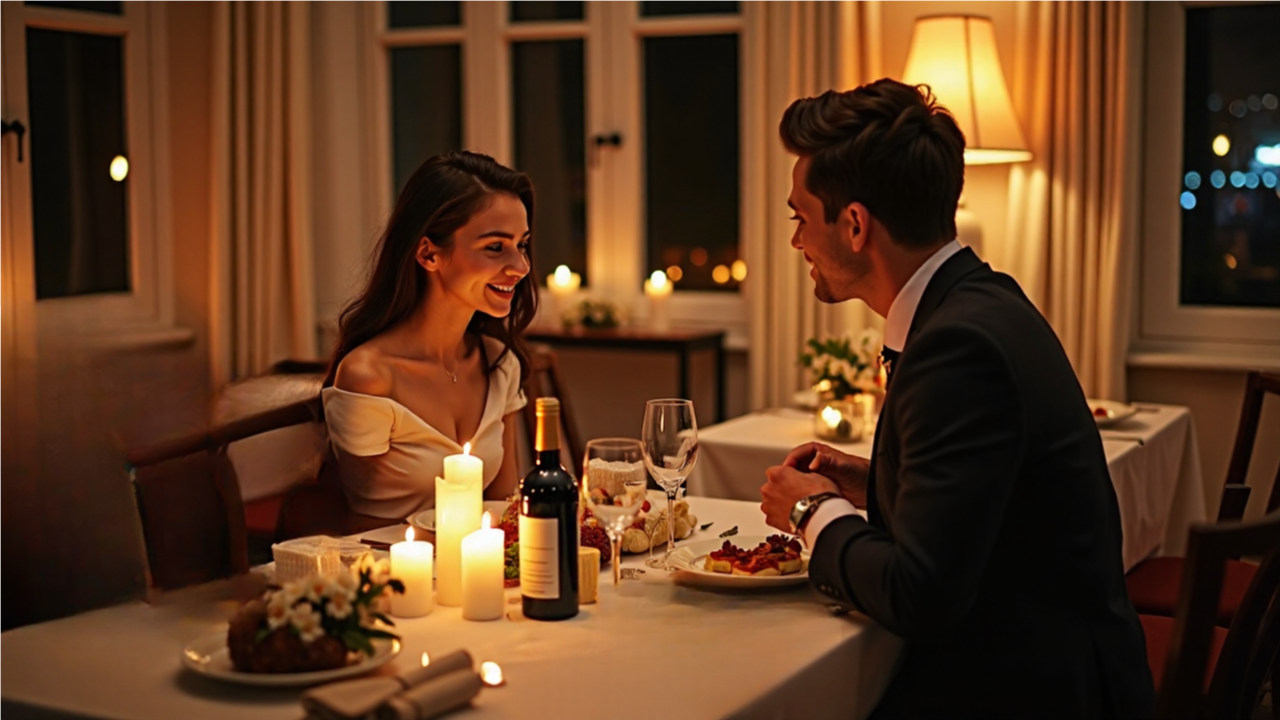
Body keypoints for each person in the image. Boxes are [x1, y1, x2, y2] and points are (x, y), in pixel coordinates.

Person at [758, 80, 1155, 719]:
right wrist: (874, 484)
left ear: (855, 225)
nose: (798, 241)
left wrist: (811, 511)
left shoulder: (956, 349)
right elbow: (991, 504)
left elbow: (922, 597)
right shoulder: (982, 297)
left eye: (800, 217)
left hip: (1033, 691)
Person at [322, 151, 535, 520]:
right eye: (495, 247)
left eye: (522, 245)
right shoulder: (370, 375)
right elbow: (356, 524)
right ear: (428, 254)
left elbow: (506, 509)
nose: (521, 266)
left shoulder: (499, 362)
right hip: (389, 568)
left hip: (478, 568)